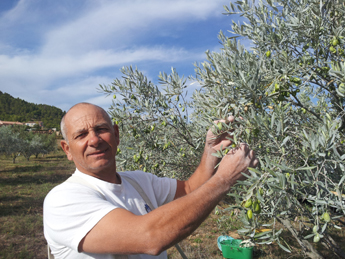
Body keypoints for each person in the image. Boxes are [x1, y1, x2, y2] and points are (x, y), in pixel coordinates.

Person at [43, 102, 258, 259]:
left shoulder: (138, 181)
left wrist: (211, 150)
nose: (94, 140)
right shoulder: (62, 200)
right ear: (67, 149)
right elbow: (150, 238)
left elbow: (192, 187)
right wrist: (224, 179)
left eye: (101, 129)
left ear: (116, 135)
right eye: (81, 135)